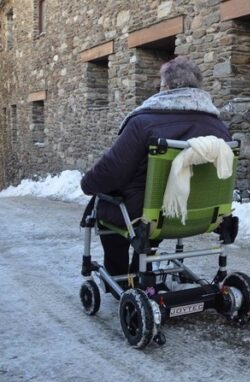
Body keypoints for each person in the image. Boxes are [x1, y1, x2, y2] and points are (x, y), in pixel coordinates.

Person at [80, 56, 231, 279]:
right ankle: (143, 265)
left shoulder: (144, 122)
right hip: (200, 212)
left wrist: (87, 183)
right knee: (149, 207)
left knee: (106, 202)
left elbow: (113, 170)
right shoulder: (219, 127)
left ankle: (121, 276)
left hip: (153, 212)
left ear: (166, 87)